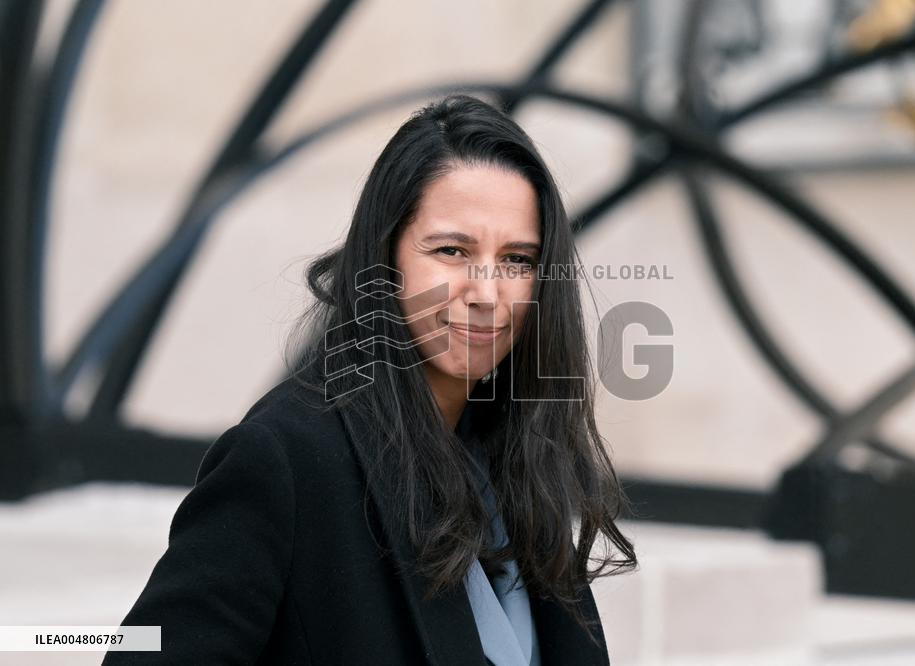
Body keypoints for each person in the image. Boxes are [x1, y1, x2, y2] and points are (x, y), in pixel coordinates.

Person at [103, 93, 637, 665]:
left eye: (517, 260)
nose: (486, 293)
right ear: (386, 259)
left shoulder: (522, 453)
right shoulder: (287, 458)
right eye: (452, 250)